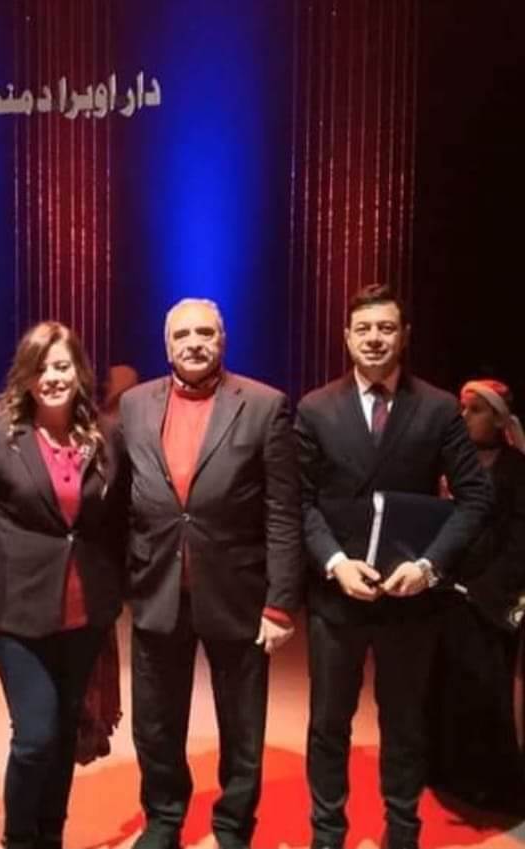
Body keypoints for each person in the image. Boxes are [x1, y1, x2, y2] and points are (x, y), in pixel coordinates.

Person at [294, 285, 491, 849]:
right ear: (346, 338)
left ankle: (402, 832)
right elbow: (298, 501)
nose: (374, 338)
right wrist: (334, 562)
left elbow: (475, 498)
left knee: (404, 724)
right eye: (363, 329)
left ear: (404, 336)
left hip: (411, 596)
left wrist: (429, 566)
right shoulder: (314, 408)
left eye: (385, 328)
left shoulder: (438, 407)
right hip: (338, 594)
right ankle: (327, 834)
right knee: (328, 725)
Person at [119, 297, 303, 849]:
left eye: (205, 333)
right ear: (166, 345)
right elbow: (120, 497)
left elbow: (283, 510)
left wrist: (280, 602)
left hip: (237, 591)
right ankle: (164, 818)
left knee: (242, 724)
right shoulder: (133, 404)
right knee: (155, 721)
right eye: (182, 335)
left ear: (223, 340)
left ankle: (233, 824)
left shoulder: (265, 405)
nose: (194, 343)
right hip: (158, 589)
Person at [0, 321, 127, 849]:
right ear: (25, 377)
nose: (52, 377)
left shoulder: (105, 435)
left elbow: (117, 516)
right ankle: (18, 838)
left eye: (61, 365)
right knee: (35, 735)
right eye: (41, 368)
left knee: (66, 731)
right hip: (17, 610)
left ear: (79, 371)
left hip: (85, 610)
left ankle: (51, 835)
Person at [427, 378, 525, 814]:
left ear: (499, 420)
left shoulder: (517, 470)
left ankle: (488, 781)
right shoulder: (450, 463)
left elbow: (520, 541)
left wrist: (485, 589)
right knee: (444, 684)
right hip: (446, 592)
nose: (464, 417)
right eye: (462, 409)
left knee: (487, 689)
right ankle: (444, 770)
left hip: (490, 599)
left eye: (476, 410)